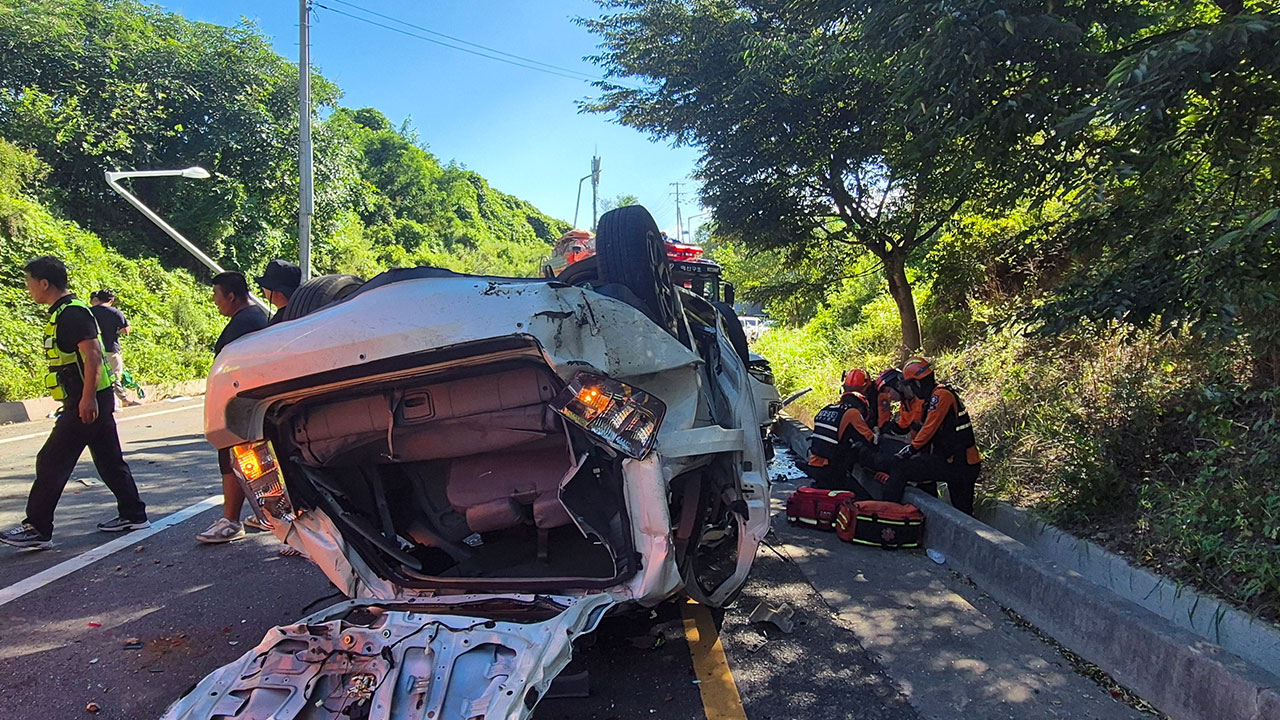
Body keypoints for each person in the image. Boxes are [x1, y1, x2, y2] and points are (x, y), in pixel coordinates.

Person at [0, 257, 149, 549]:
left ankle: (37, 528)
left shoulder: (71, 313)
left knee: (51, 460)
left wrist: (87, 398)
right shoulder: (66, 311)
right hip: (91, 398)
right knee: (108, 459)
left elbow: (92, 355)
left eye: (30, 283)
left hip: (86, 400)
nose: (28, 289)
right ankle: (134, 514)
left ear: (45, 283)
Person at [196, 271, 269, 544]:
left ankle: (231, 520)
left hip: (241, 401)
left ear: (231, 295)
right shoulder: (254, 317)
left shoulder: (245, 323)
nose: (214, 300)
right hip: (248, 400)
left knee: (232, 457)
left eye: (217, 294)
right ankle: (267, 513)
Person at [885, 357, 982, 515]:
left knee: (963, 510)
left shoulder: (941, 396)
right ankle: (892, 511)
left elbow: (929, 429)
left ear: (917, 384)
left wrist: (909, 450)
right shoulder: (931, 398)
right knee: (908, 468)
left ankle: (888, 513)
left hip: (962, 464)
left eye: (911, 386)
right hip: (949, 460)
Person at [798, 371, 877, 494]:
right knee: (860, 496)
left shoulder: (826, 409)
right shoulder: (853, 413)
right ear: (861, 407)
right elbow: (870, 439)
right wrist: (877, 433)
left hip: (814, 463)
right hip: (830, 469)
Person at [89, 289, 140, 408]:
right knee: (115, 375)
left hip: (93, 349)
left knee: (97, 376)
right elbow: (126, 329)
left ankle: (104, 402)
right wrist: (116, 331)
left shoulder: (89, 312)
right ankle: (123, 400)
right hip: (111, 348)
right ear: (111, 301)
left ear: (98, 299)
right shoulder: (115, 312)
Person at [256, 259, 302, 324]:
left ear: (277, 292)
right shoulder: (303, 313)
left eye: (266, 286)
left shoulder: (279, 322)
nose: (263, 289)